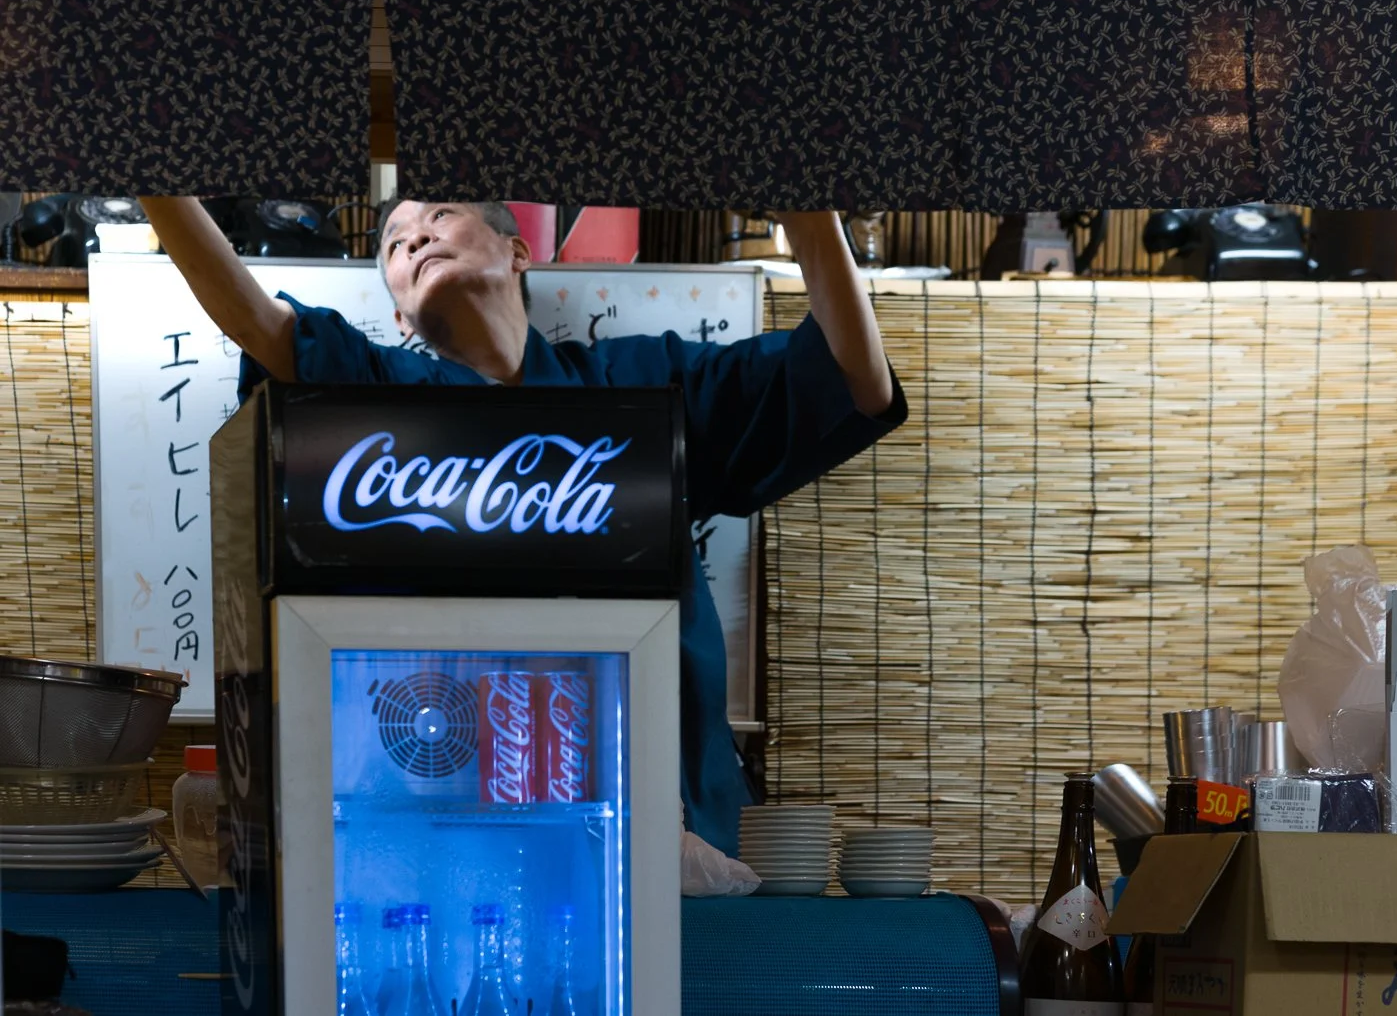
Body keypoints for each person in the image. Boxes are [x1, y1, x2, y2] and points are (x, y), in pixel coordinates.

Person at [138, 196, 907, 854]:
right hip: (452, 822)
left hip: (671, 814)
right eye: (395, 245)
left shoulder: (641, 385)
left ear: (518, 250)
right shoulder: (384, 396)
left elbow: (853, 380)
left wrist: (810, 219)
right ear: (399, 311)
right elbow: (255, 319)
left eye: (439, 214)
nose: (413, 237)